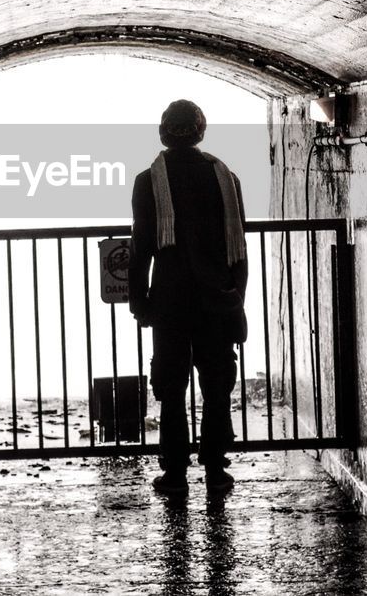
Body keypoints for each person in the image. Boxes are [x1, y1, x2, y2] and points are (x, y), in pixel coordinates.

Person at [129, 99, 248, 495]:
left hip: (170, 301)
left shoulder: (149, 181)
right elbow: (239, 252)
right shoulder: (227, 179)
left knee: (172, 385)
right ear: (201, 132)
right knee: (216, 385)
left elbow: (142, 245)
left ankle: (175, 472)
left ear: (163, 132)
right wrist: (237, 301)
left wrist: (138, 299)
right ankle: (216, 467)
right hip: (217, 299)